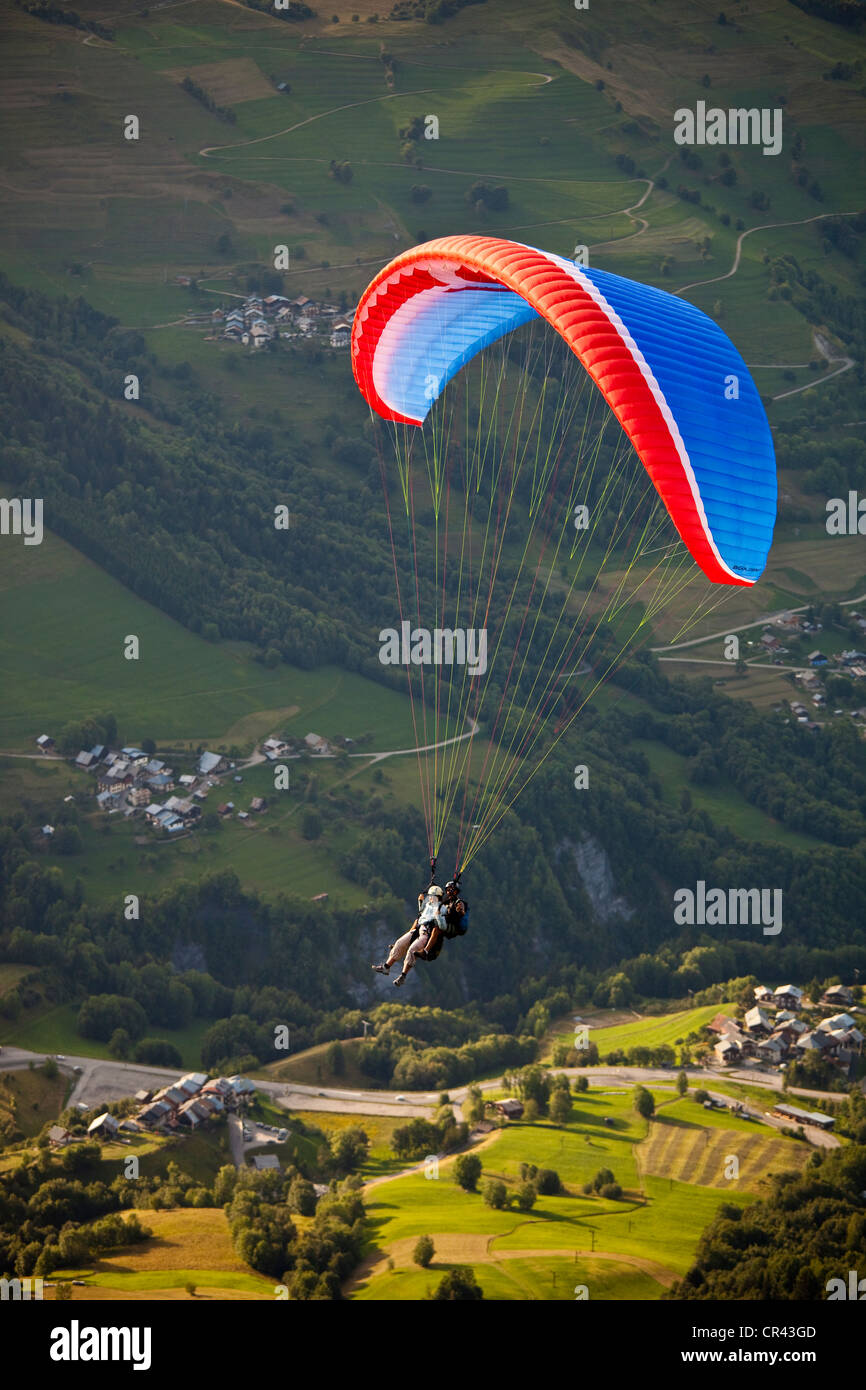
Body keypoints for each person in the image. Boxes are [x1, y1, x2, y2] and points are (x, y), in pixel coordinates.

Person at [372, 884, 446, 986]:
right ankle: (386, 967)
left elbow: (443, 926)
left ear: (436, 897)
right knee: (399, 943)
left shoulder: (441, 909)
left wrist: (438, 917)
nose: (429, 898)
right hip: (418, 929)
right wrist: (420, 902)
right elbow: (422, 913)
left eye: (431, 896)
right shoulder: (429, 905)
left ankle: (403, 976)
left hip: (426, 934)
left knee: (412, 950)